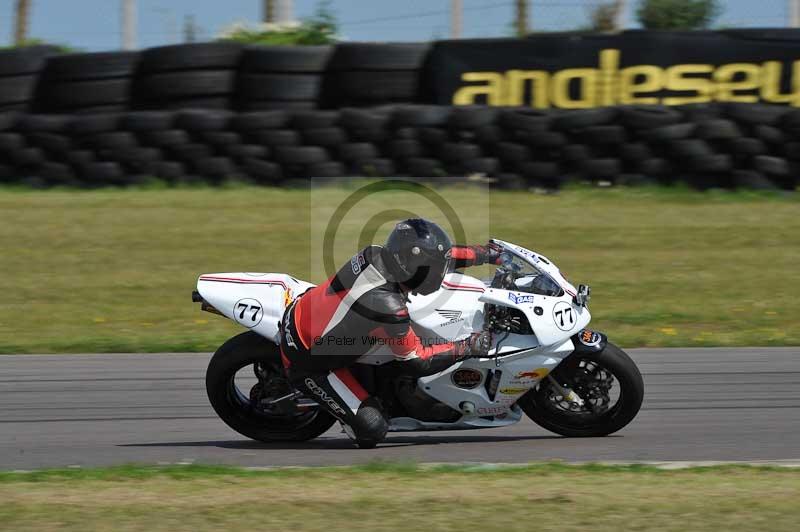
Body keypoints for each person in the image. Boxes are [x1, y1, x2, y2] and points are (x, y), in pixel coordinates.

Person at [279, 219, 501, 447]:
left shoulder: (377, 254)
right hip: (307, 360)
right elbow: (417, 361)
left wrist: (486, 254)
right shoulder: (387, 306)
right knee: (373, 429)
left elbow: (439, 254)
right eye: (434, 269)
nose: (440, 273)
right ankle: (349, 412)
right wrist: (468, 347)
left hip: (311, 312)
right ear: (412, 268)